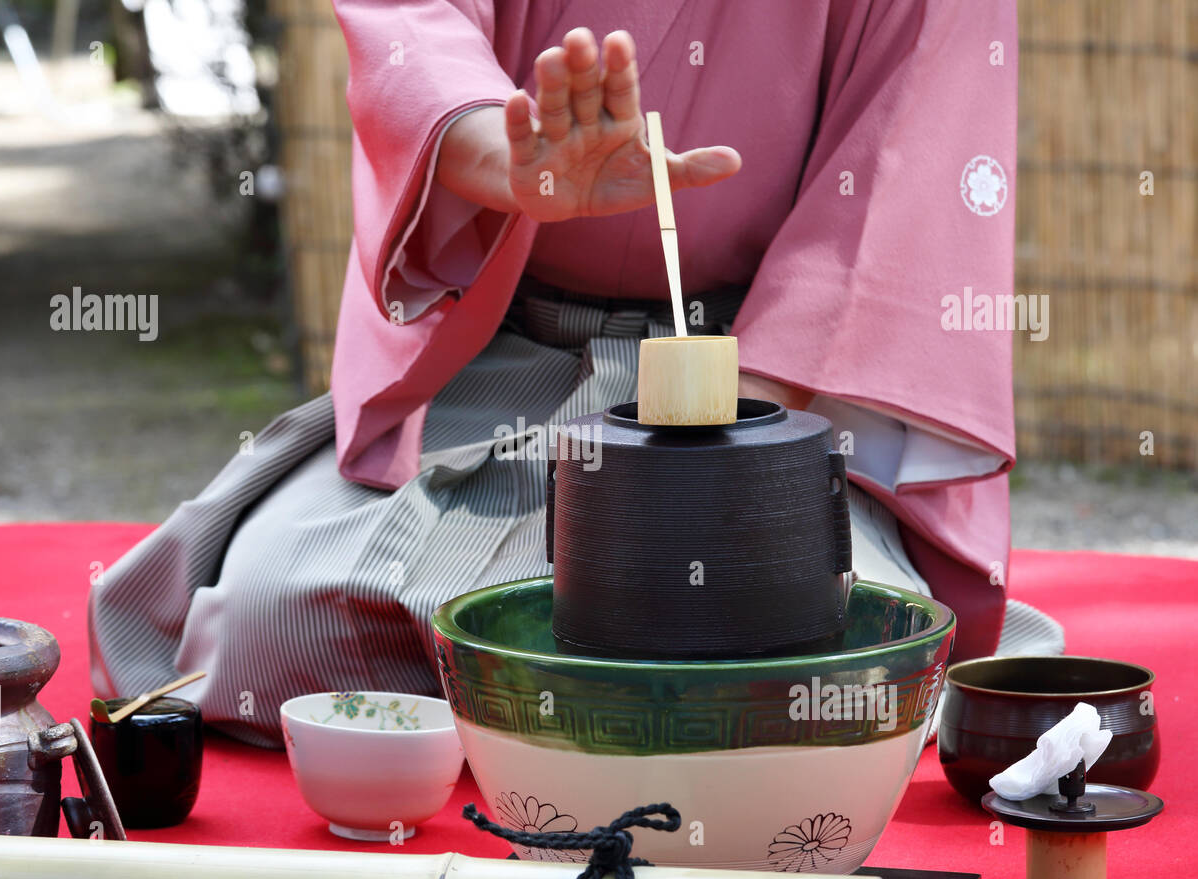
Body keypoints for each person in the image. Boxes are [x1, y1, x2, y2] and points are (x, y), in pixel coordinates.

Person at [90, 1, 1061, 750]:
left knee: (796, 646)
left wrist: (727, 455)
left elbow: (901, 173)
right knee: (270, 618)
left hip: (760, 391)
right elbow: (414, 30)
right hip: (504, 355)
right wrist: (504, 153)